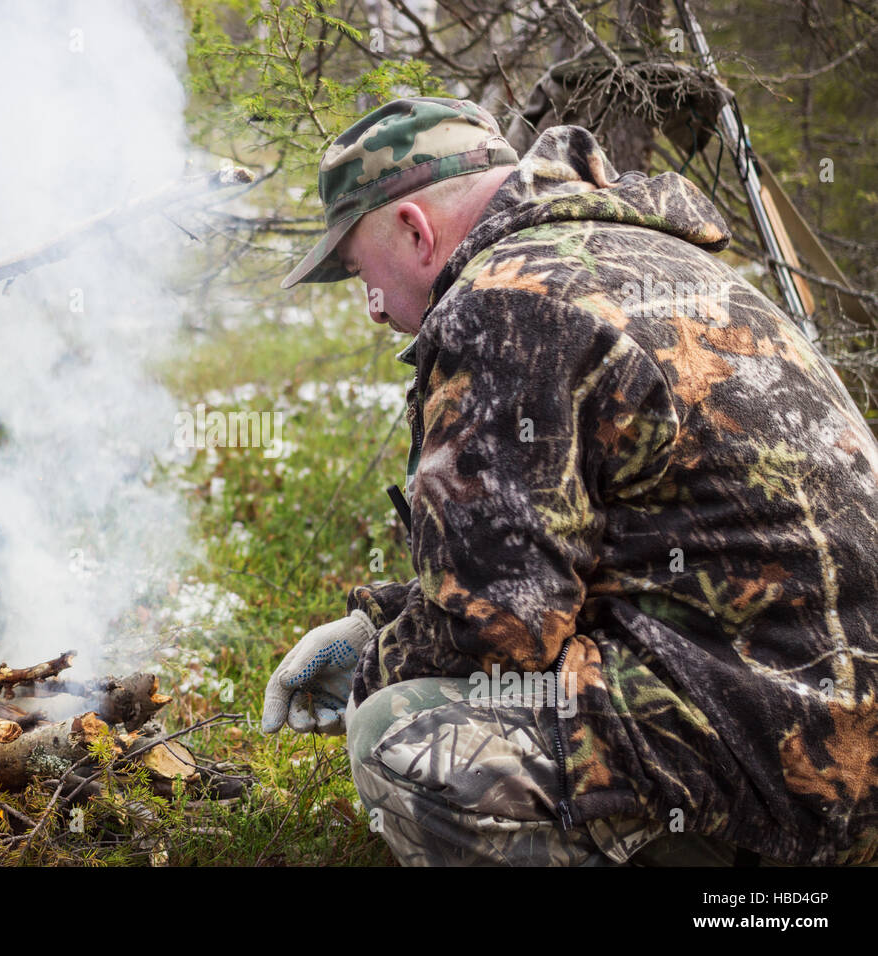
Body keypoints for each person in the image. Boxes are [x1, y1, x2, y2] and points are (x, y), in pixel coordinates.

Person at [262, 96, 878, 867]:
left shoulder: (503, 304)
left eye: (361, 271)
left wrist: (374, 668)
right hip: (831, 728)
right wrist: (377, 624)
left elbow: (498, 635)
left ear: (416, 231)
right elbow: (565, 561)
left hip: (791, 778)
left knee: (403, 736)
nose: (373, 307)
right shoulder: (650, 259)